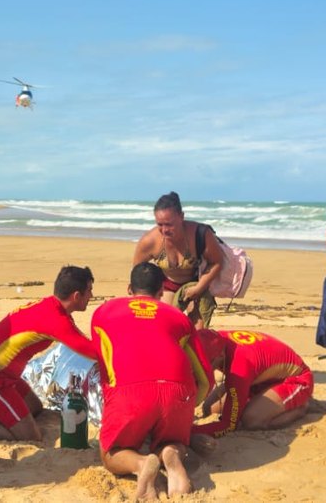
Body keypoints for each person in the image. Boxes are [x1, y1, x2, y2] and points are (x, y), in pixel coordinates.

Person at [91, 262, 214, 501]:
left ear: (129, 289)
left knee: (111, 453)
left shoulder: (104, 312)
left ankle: (140, 463)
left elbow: (105, 364)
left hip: (130, 393)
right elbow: (205, 377)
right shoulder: (179, 318)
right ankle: (171, 453)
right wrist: (191, 406)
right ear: (161, 292)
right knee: (173, 440)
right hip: (176, 392)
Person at [0, 265, 98, 442]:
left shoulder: (51, 306)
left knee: (34, 407)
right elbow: (92, 351)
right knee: (31, 437)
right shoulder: (55, 319)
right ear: (76, 295)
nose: (91, 297)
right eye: (89, 291)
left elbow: (80, 340)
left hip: (5, 375)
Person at [193, 329, 313, 437]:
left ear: (220, 357)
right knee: (209, 409)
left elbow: (228, 425)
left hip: (295, 380)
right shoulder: (213, 338)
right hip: (259, 379)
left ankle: (300, 408)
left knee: (252, 421)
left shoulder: (238, 367)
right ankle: (259, 400)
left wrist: (191, 432)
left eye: (205, 365)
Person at [132, 192, 225, 329]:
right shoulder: (149, 241)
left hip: (195, 282)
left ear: (181, 217)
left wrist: (199, 287)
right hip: (166, 285)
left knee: (198, 331)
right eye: (160, 224)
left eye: (169, 224)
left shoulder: (201, 234)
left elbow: (217, 262)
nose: (164, 230)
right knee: (162, 325)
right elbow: (138, 273)